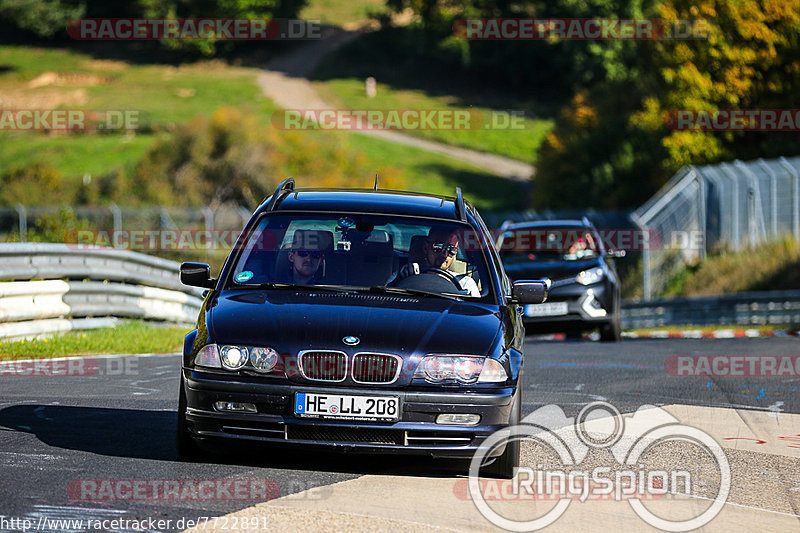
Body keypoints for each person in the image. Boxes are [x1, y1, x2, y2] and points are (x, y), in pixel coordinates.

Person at [396, 228, 480, 296]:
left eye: (451, 250)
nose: (445, 255)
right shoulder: (406, 274)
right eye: (438, 247)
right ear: (425, 247)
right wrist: (401, 278)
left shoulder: (465, 284)